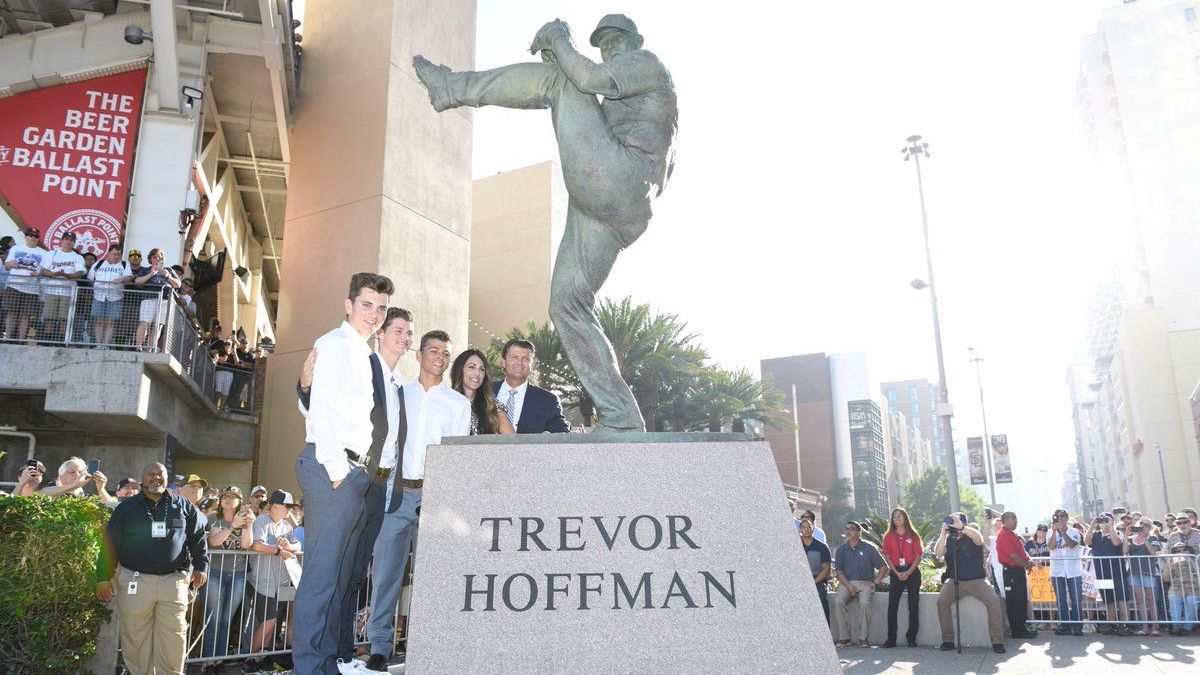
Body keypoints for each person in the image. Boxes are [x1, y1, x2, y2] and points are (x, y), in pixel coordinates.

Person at [414, 13, 677, 433]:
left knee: (559, 82)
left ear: (636, 40)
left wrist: (560, 38)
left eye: (617, 40)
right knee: (566, 305)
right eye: (604, 43)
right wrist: (561, 54)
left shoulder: (647, 63)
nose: (610, 48)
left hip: (621, 180)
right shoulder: (626, 91)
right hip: (612, 209)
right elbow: (589, 99)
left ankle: (452, 88)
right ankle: (622, 416)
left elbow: (587, 79)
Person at [298, 305, 415, 672]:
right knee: (335, 573)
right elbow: (319, 402)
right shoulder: (362, 362)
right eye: (397, 329)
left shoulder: (399, 385)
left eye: (408, 332)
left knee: (352, 575)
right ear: (380, 332)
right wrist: (304, 385)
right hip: (352, 474)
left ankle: (342, 655)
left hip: (381, 483)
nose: (404, 337)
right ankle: (323, 659)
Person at [365, 329, 470, 668]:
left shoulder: (458, 403)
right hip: (395, 496)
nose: (439, 357)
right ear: (419, 355)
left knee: (432, 577)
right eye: (433, 350)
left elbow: (456, 458)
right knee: (386, 575)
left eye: (445, 353)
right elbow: (384, 445)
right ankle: (380, 647)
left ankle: (426, 645)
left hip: (434, 498)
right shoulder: (399, 395)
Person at [95, 462, 208, 675]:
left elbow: (198, 539)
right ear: (142, 477)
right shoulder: (126, 507)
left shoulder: (183, 506)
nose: (155, 478)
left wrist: (201, 566)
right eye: (150, 474)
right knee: (135, 637)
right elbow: (109, 543)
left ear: (167, 478)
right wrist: (103, 577)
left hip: (173, 582)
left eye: (160, 474)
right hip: (134, 580)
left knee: (174, 636)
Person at [243, 490, 302, 673]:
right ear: (275, 506)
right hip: (263, 581)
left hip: (283, 582)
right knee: (268, 620)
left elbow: (297, 545)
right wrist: (279, 551)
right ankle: (250, 658)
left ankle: (262, 657)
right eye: (287, 507)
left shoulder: (287, 526)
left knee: (275, 621)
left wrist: (288, 546)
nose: (289, 510)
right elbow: (257, 545)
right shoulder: (262, 520)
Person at [934, 513, 1006, 653]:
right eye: (952, 521)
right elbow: (938, 553)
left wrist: (962, 527)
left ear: (964, 523)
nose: (954, 523)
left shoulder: (972, 535)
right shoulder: (950, 539)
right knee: (941, 602)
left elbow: (979, 539)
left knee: (993, 601)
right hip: (956, 581)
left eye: (958, 521)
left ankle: (997, 641)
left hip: (977, 580)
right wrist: (943, 533)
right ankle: (948, 640)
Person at [200, 487, 255, 670]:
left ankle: (220, 659)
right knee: (213, 618)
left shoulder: (245, 519)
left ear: (239, 501)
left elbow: (246, 545)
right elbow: (214, 542)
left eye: (233, 497)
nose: (228, 499)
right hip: (215, 572)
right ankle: (209, 659)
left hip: (237, 573)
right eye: (225, 496)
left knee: (226, 619)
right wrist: (233, 526)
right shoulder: (214, 519)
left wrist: (249, 525)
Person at [491, 338, 570, 433]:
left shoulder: (548, 401)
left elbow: (562, 434)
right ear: (503, 362)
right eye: (514, 357)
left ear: (532, 365)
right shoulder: (484, 392)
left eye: (526, 359)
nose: (519, 363)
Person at [832, 520, 886, 647]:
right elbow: (839, 572)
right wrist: (849, 587)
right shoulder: (841, 550)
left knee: (864, 602)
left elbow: (884, 567)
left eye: (851, 529)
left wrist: (875, 583)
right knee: (838, 601)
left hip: (865, 584)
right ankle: (844, 638)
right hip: (847, 583)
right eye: (846, 529)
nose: (848, 531)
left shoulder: (869, 548)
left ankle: (863, 639)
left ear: (859, 532)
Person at [881, 507, 923, 648]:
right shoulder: (888, 536)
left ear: (905, 517)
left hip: (912, 572)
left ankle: (911, 638)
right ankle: (891, 639)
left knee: (913, 605)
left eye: (899, 516)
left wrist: (909, 572)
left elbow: (918, 555)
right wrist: (897, 572)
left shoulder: (913, 535)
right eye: (894, 517)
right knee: (892, 606)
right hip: (896, 572)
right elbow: (887, 555)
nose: (896, 519)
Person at [451, 348, 516, 435]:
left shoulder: (493, 406)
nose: (477, 373)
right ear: (459, 370)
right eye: (471, 367)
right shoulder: (446, 402)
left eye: (481, 369)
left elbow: (514, 442)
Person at [1085, 512, 1131, 634]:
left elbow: (1116, 543)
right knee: (1108, 599)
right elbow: (1087, 541)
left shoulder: (1118, 533)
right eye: (1103, 521)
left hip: (1117, 571)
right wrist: (1091, 526)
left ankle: (1125, 624)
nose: (1104, 523)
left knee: (1121, 597)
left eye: (1107, 520)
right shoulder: (1095, 535)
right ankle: (1112, 623)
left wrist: (1111, 527)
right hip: (1102, 571)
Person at [38, 232, 86, 343]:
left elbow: (79, 274)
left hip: (68, 292)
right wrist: (54, 274)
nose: (68, 242)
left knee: (64, 319)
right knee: (49, 317)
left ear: (74, 242)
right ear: (62, 240)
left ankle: (60, 341)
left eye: (71, 240)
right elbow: (44, 270)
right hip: (51, 290)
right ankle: (47, 341)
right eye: (66, 239)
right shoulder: (52, 253)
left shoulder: (77, 257)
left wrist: (65, 275)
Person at [994, 511, 1036, 639]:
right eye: (1013, 519)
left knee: (1021, 600)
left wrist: (1028, 560)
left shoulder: (1012, 534)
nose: (1016, 521)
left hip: (1018, 571)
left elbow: (1021, 551)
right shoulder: (1003, 535)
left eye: (1016, 519)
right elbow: (1013, 556)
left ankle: (1021, 628)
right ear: (1005, 521)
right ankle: (1017, 630)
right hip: (1011, 571)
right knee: (1015, 601)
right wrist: (1026, 564)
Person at [2, 227, 47, 342]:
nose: (33, 238)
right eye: (30, 235)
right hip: (14, 285)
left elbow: (44, 271)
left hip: (31, 288)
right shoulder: (16, 248)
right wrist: (11, 264)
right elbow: (6, 266)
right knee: (11, 313)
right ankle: (9, 338)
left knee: (25, 316)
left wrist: (38, 273)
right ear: (26, 237)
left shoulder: (44, 253)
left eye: (36, 236)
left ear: (38, 238)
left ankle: (21, 341)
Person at [133, 248, 181, 351]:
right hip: (149, 298)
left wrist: (168, 277)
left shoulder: (168, 270)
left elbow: (178, 284)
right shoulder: (146, 269)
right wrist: (151, 274)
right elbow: (137, 281)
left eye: (160, 258)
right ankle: (138, 346)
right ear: (150, 258)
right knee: (145, 323)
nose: (158, 259)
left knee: (157, 326)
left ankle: (149, 349)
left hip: (164, 301)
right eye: (155, 257)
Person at [1047, 508, 1084, 636]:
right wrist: (1054, 532)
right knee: (1061, 599)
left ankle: (1077, 627)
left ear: (1067, 518)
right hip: (1058, 571)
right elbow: (1051, 546)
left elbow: (1072, 544)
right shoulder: (1050, 532)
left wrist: (1063, 532)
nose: (1059, 518)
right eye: (1056, 516)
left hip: (1073, 571)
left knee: (1076, 599)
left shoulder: (1074, 531)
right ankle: (1065, 626)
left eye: (1062, 516)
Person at [88, 244, 133, 348]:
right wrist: (97, 287)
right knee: (99, 321)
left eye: (118, 254)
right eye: (114, 254)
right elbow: (90, 279)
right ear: (108, 253)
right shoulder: (99, 263)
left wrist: (121, 280)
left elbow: (129, 277)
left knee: (111, 322)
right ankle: (99, 344)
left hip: (116, 297)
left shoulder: (124, 265)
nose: (116, 256)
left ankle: (106, 345)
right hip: (99, 296)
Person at [1126, 516, 1160, 636]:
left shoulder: (1152, 537)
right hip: (1134, 572)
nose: (1141, 526)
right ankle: (1145, 627)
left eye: (1145, 524)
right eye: (1140, 523)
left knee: (1151, 599)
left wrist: (1145, 538)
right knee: (1140, 600)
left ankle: (1155, 627)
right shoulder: (1131, 538)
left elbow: (1153, 552)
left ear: (1149, 527)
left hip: (1148, 572)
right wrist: (1126, 535)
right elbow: (1125, 551)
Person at [39, 457, 117, 505]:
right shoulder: (50, 488)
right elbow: (39, 495)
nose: (77, 475)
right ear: (60, 476)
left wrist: (101, 489)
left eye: (80, 472)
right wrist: (73, 486)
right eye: (72, 472)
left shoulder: (86, 497)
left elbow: (111, 508)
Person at [799, 516, 832, 624]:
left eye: (809, 526)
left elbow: (826, 569)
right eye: (803, 527)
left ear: (813, 529)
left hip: (817, 581)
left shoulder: (822, 547)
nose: (806, 529)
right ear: (800, 530)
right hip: (799, 581)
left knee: (821, 602)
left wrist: (813, 582)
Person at [1164, 541, 1198, 635]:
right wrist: (1169, 566)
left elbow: (1198, 573)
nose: (1181, 552)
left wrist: (1191, 560)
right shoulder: (1172, 562)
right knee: (1173, 598)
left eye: (1184, 550)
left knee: (1192, 600)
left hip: (1193, 586)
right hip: (1176, 586)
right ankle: (1176, 626)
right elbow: (1165, 578)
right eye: (1178, 551)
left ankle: (1187, 627)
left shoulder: (1195, 559)